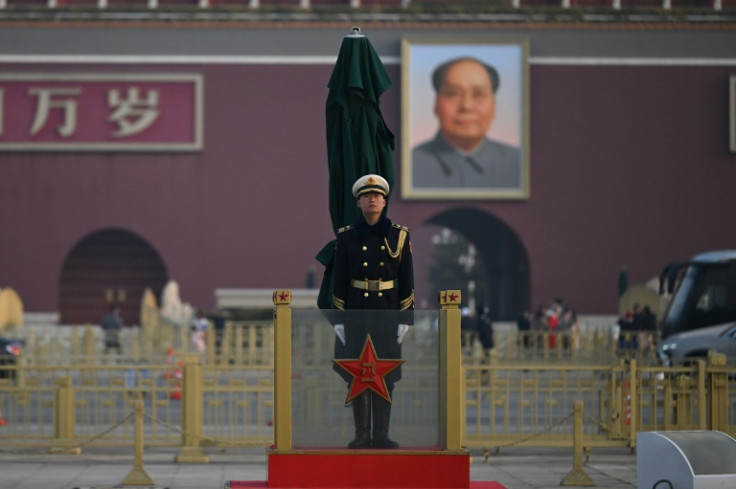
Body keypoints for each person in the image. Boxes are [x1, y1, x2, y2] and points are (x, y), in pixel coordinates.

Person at [331, 174, 414, 449]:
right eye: (367, 196)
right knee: (358, 373)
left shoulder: (399, 235)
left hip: (387, 312)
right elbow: (339, 279)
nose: (372, 200)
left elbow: (407, 278)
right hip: (357, 311)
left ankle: (381, 433)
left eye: (377, 196)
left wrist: (405, 318)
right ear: (359, 202)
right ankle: (361, 433)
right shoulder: (346, 237)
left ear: (385, 201)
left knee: (386, 374)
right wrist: (339, 320)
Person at [412, 57, 521, 190]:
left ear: (494, 105)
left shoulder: (520, 163)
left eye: (479, 94)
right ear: (436, 104)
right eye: (453, 94)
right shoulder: (407, 165)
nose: (466, 106)